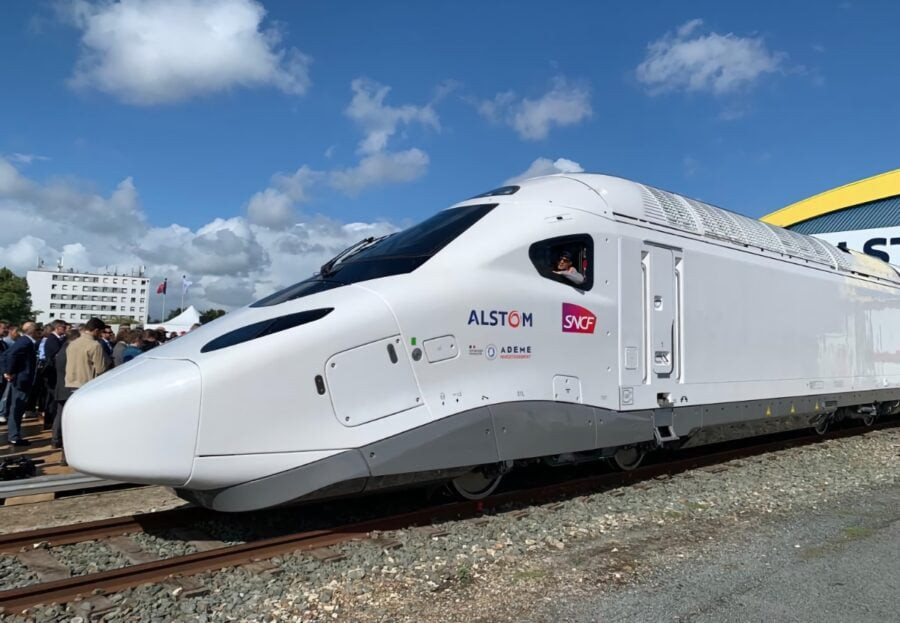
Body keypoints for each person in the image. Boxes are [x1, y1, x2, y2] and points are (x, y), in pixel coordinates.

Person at [57, 318, 110, 453]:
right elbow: (100, 369)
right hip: (86, 385)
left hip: (70, 384)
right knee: (87, 422)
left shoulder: (72, 344)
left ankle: (66, 450)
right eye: (101, 332)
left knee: (72, 421)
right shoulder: (95, 345)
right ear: (96, 330)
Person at [3, 322, 39, 446]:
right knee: (17, 408)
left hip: (20, 379)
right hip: (22, 380)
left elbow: (7, 354)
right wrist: (9, 371)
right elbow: (10, 355)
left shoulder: (23, 341)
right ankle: (14, 436)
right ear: (33, 331)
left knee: (16, 408)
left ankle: (14, 435)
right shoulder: (25, 342)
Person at [51, 328, 82, 456]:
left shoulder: (63, 349)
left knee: (60, 414)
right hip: (67, 387)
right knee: (63, 416)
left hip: (61, 386)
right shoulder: (70, 351)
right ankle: (58, 440)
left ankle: (56, 439)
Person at [41, 320, 68, 431]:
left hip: (56, 373)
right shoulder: (52, 340)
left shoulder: (58, 339)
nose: (65, 330)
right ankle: (49, 421)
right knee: (52, 399)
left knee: (53, 399)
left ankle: (51, 421)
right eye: (63, 327)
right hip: (52, 373)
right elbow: (56, 355)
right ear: (57, 328)